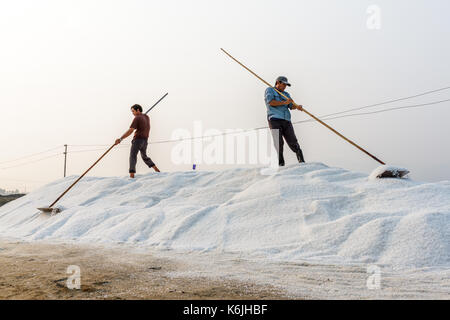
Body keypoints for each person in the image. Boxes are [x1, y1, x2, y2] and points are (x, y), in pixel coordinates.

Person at [265, 76, 305, 166]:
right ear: (277, 83)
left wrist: (297, 107)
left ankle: (302, 161)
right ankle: (280, 164)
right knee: (278, 142)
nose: (284, 87)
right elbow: (270, 102)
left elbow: (291, 106)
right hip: (274, 119)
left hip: (286, 120)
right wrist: (284, 103)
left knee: (293, 141)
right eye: (283, 84)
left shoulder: (286, 94)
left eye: (286, 85)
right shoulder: (270, 90)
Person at [115, 104, 160, 178]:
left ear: (138, 110)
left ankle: (132, 175)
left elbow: (131, 130)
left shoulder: (137, 118)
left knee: (133, 156)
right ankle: (156, 169)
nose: (132, 113)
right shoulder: (146, 117)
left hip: (138, 140)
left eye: (133, 111)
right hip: (145, 141)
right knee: (144, 156)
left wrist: (120, 139)